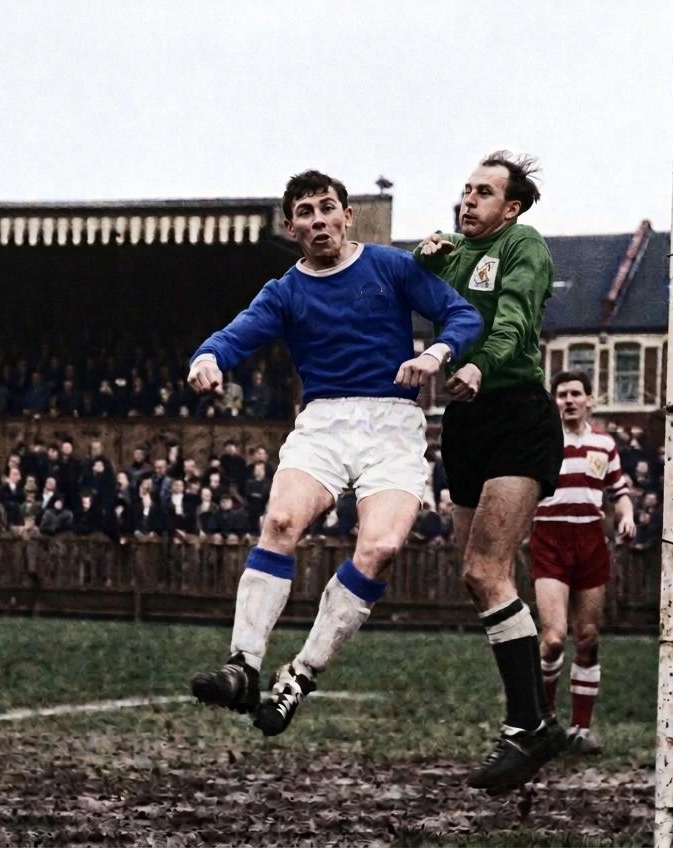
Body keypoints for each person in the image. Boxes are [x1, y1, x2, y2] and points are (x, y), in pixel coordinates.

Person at [188, 169, 481, 737]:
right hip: (324, 421)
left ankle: (300, 674)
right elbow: (234, 334)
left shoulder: (390, 267)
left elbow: (463, 314)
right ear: (290, 226)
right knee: (280, 521)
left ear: (348, 216)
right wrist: (207, 359)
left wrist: (436, 354)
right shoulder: (284, 292)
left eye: (327, 208)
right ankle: (243, 665)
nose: (319, 220)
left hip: (393, 424)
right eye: (306, 212)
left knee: (381, 547)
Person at [414, 151, 565, 792]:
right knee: (480, 580)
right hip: (466, 420)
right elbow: (420, 295)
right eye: (466, 190)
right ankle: (535, 725)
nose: (468, 200)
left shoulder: (522, 244)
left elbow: (515, 317)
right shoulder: (453, 253)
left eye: (483, 192)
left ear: (512, 207)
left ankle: (528, 726)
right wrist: (421, 259)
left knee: (485, 570)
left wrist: (480, 363)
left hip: (515, 413)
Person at [532, 371, 634, 757]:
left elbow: (619, 492)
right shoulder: (543, 441)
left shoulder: (604, 444)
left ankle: (580, 728)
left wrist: (627, 516)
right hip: (550, 538)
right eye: (562, 395)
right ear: (554, 402)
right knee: (554, 638)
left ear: (589, 399)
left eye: (576, 394)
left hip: (590, 541)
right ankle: (544, 722)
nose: (569, 400)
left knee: (588, 637)